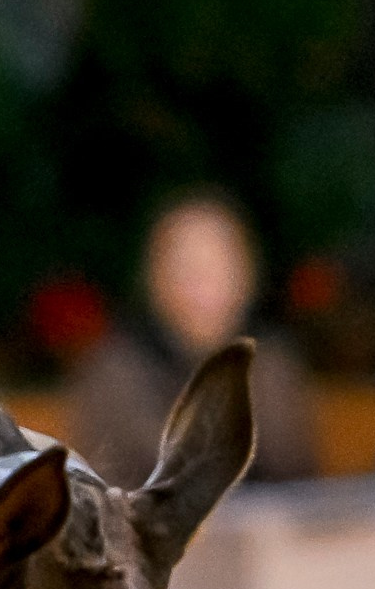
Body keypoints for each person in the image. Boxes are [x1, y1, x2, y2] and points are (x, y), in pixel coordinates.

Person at [65, 192, 317, 489]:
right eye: (187, 269)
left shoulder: (270, 364)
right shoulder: (115, 371)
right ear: (155, 279)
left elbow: (297, 480)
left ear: (247, 278)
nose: (202, 286)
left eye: (218, 268)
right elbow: (114, 490)